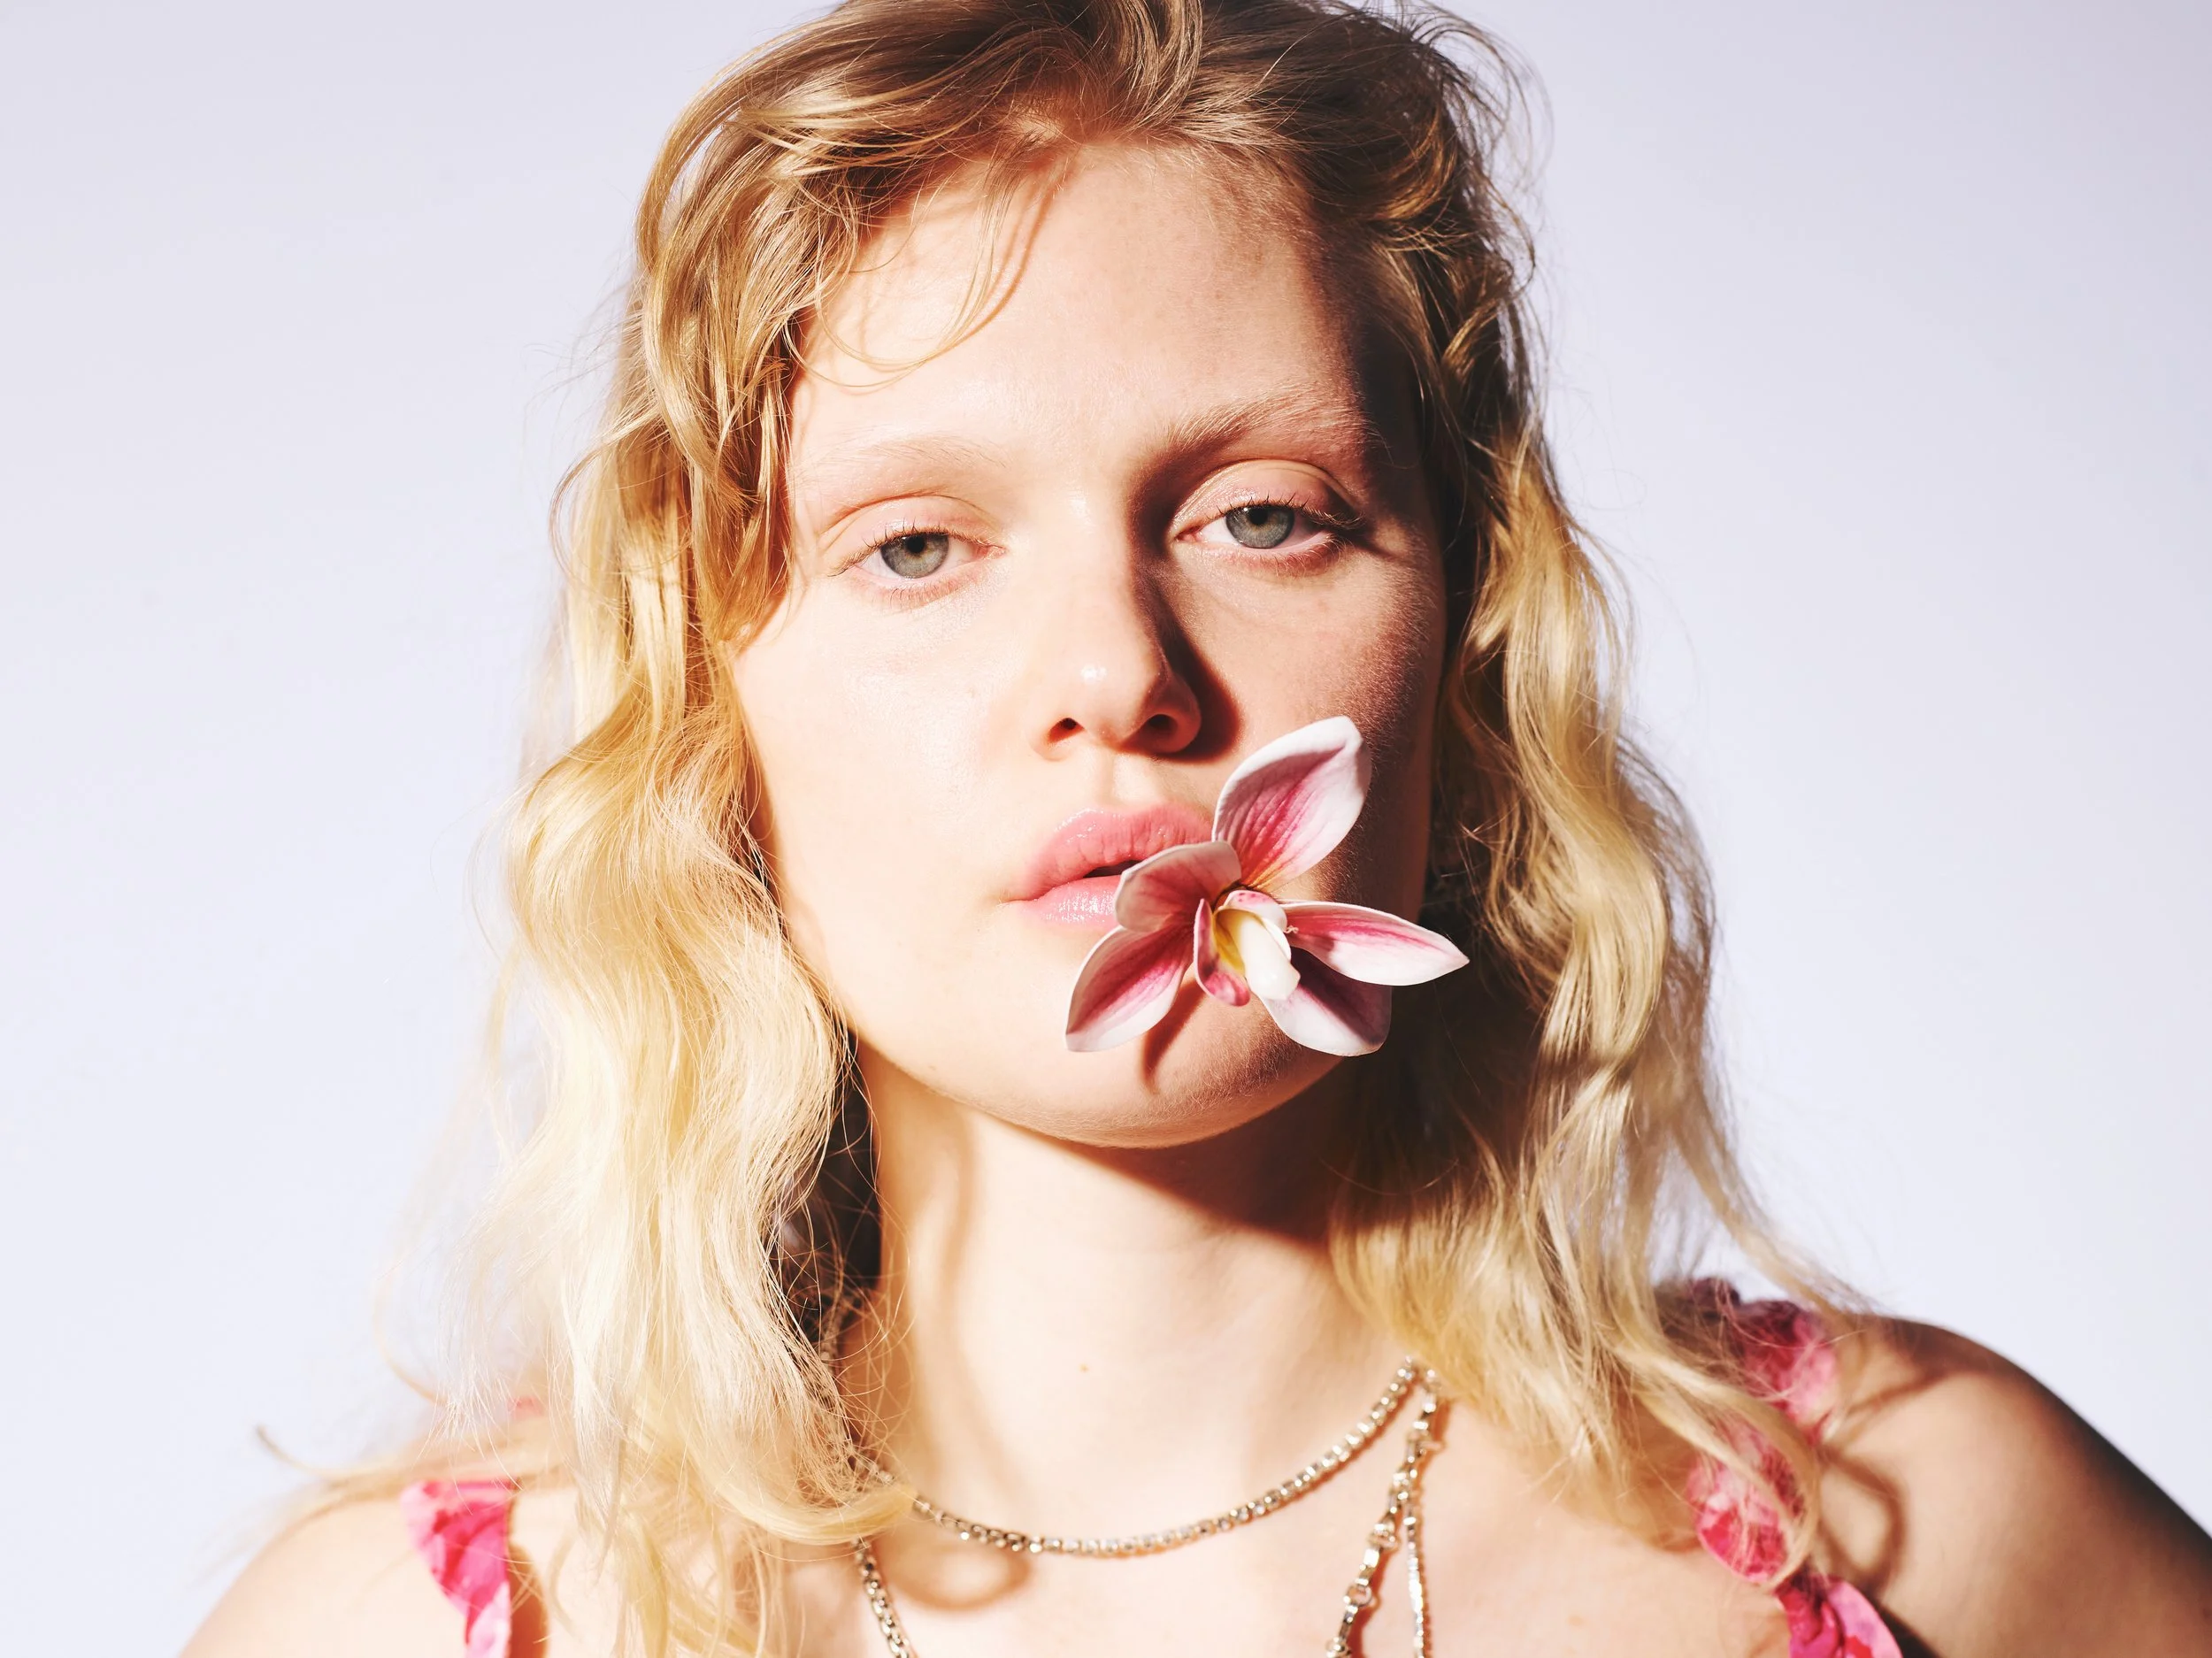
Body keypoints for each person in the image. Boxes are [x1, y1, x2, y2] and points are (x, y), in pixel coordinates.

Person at [183, 2, 2212, 1654]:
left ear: (1465, 653)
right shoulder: (410, 1629)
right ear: (717, 716)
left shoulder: (1925, 1525)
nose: (1116, 671)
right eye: (916, 545)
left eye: (1261, 515)